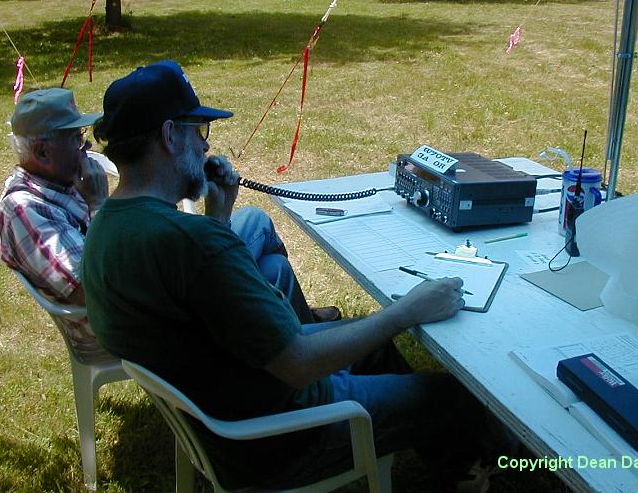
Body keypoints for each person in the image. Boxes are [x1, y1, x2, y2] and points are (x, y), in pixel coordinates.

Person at [81, 61, 501, 490]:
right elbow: (298, 363)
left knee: (376, 347)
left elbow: (212, 301)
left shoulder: (108, 226)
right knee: (449, 396)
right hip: (280, 437)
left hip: (228, 409)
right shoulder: (191, 243)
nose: (206, 147)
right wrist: (406, 311)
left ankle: (438, 450)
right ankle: (469, 468)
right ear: (169, 136)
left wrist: (220, 215)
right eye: (198, 131)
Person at [0, 88, 336, 329]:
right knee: (259, 237)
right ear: (41, 153)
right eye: (75, 139)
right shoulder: (24, 210)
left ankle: (296, 325)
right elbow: (93, 288)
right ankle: (295, 333)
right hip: (130, 318)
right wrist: (99, 205)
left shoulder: (60, 183)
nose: (85, 147)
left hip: (146, 286)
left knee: (269, 257)